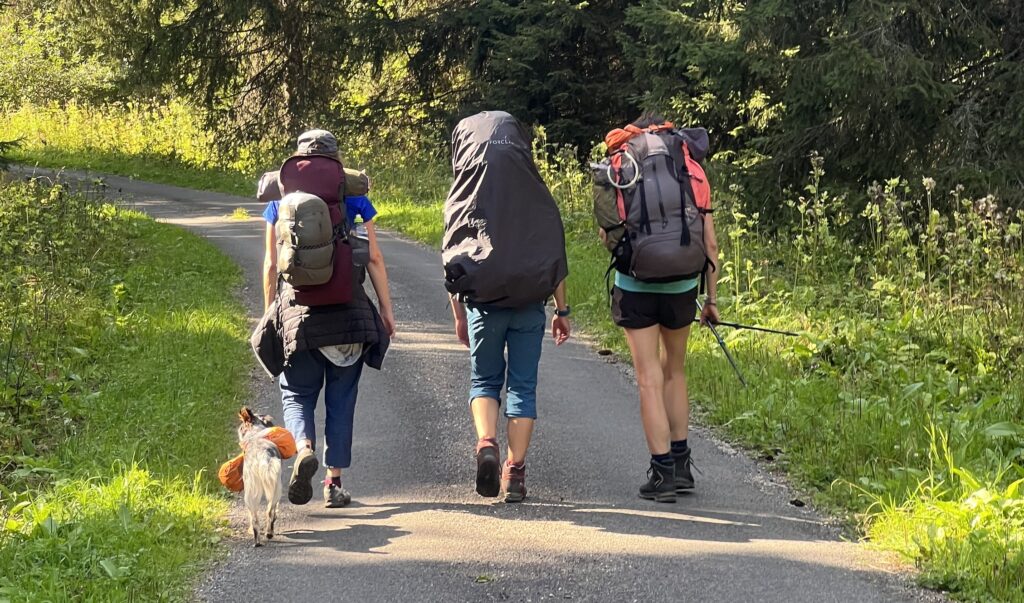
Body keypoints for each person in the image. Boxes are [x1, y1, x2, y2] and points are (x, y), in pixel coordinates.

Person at [253, 129, 396, 509]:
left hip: (297, 315)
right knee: (341, 397)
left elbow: (271, 264)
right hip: (348, 315)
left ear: (299, 161)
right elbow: (375, 259)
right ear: (335, 162)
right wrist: (386, 310)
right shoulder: (356, 197)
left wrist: (272, 310)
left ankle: (302, 448)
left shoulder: (280, 201)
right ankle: (333, 483)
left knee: (297, 393)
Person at [442, 111, 571, 503]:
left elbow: (452, 257)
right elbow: (555, 250)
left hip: (483, 303)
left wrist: (459, 315)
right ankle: (514, 472)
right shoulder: (535, 189)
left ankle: (486, 444)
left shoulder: (464, 191)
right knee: (523, 387)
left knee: (484, 381)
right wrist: (561, 311)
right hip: (530, 303)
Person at [600, 113, 720, 503]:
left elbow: (609, 235)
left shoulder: (622, 164)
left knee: (648, 377)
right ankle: (683, 465)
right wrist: (712, 300)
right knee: (675, 370)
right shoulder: (690, 166)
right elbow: (711, 245)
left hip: (636, 283)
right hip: (684, 284)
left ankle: (662, 474)